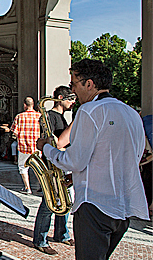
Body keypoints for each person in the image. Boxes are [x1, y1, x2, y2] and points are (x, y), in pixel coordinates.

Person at [37, 59, 149, 260]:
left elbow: (74, 160)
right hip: (124, 207)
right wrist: (79, 175)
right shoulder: (131, 113)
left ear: (89, 84)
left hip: (95, 206)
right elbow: (131, 157)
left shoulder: (89, 111)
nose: (73, 90)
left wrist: (45, 148)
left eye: (74, 84)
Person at [33, 86, 76, 255]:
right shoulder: (50, 116)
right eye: (70, 99)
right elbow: (53, 140)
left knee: (65, 202)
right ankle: (40, 240)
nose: (73, 102)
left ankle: (61, 234)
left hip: (62, 164)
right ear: (60, 98)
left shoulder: (62, 117)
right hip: (52, 166)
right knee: (48, 204)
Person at [10, 97, 40, 194]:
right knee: (39, 168)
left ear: (24, 105)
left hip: (24, 146)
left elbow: (14, 131)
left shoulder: (19, 116)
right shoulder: (39, 116)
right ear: (33, 105)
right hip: (36, 147)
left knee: (23, 167)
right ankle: (41, 186)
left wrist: (21, 135)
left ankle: (27, 187)